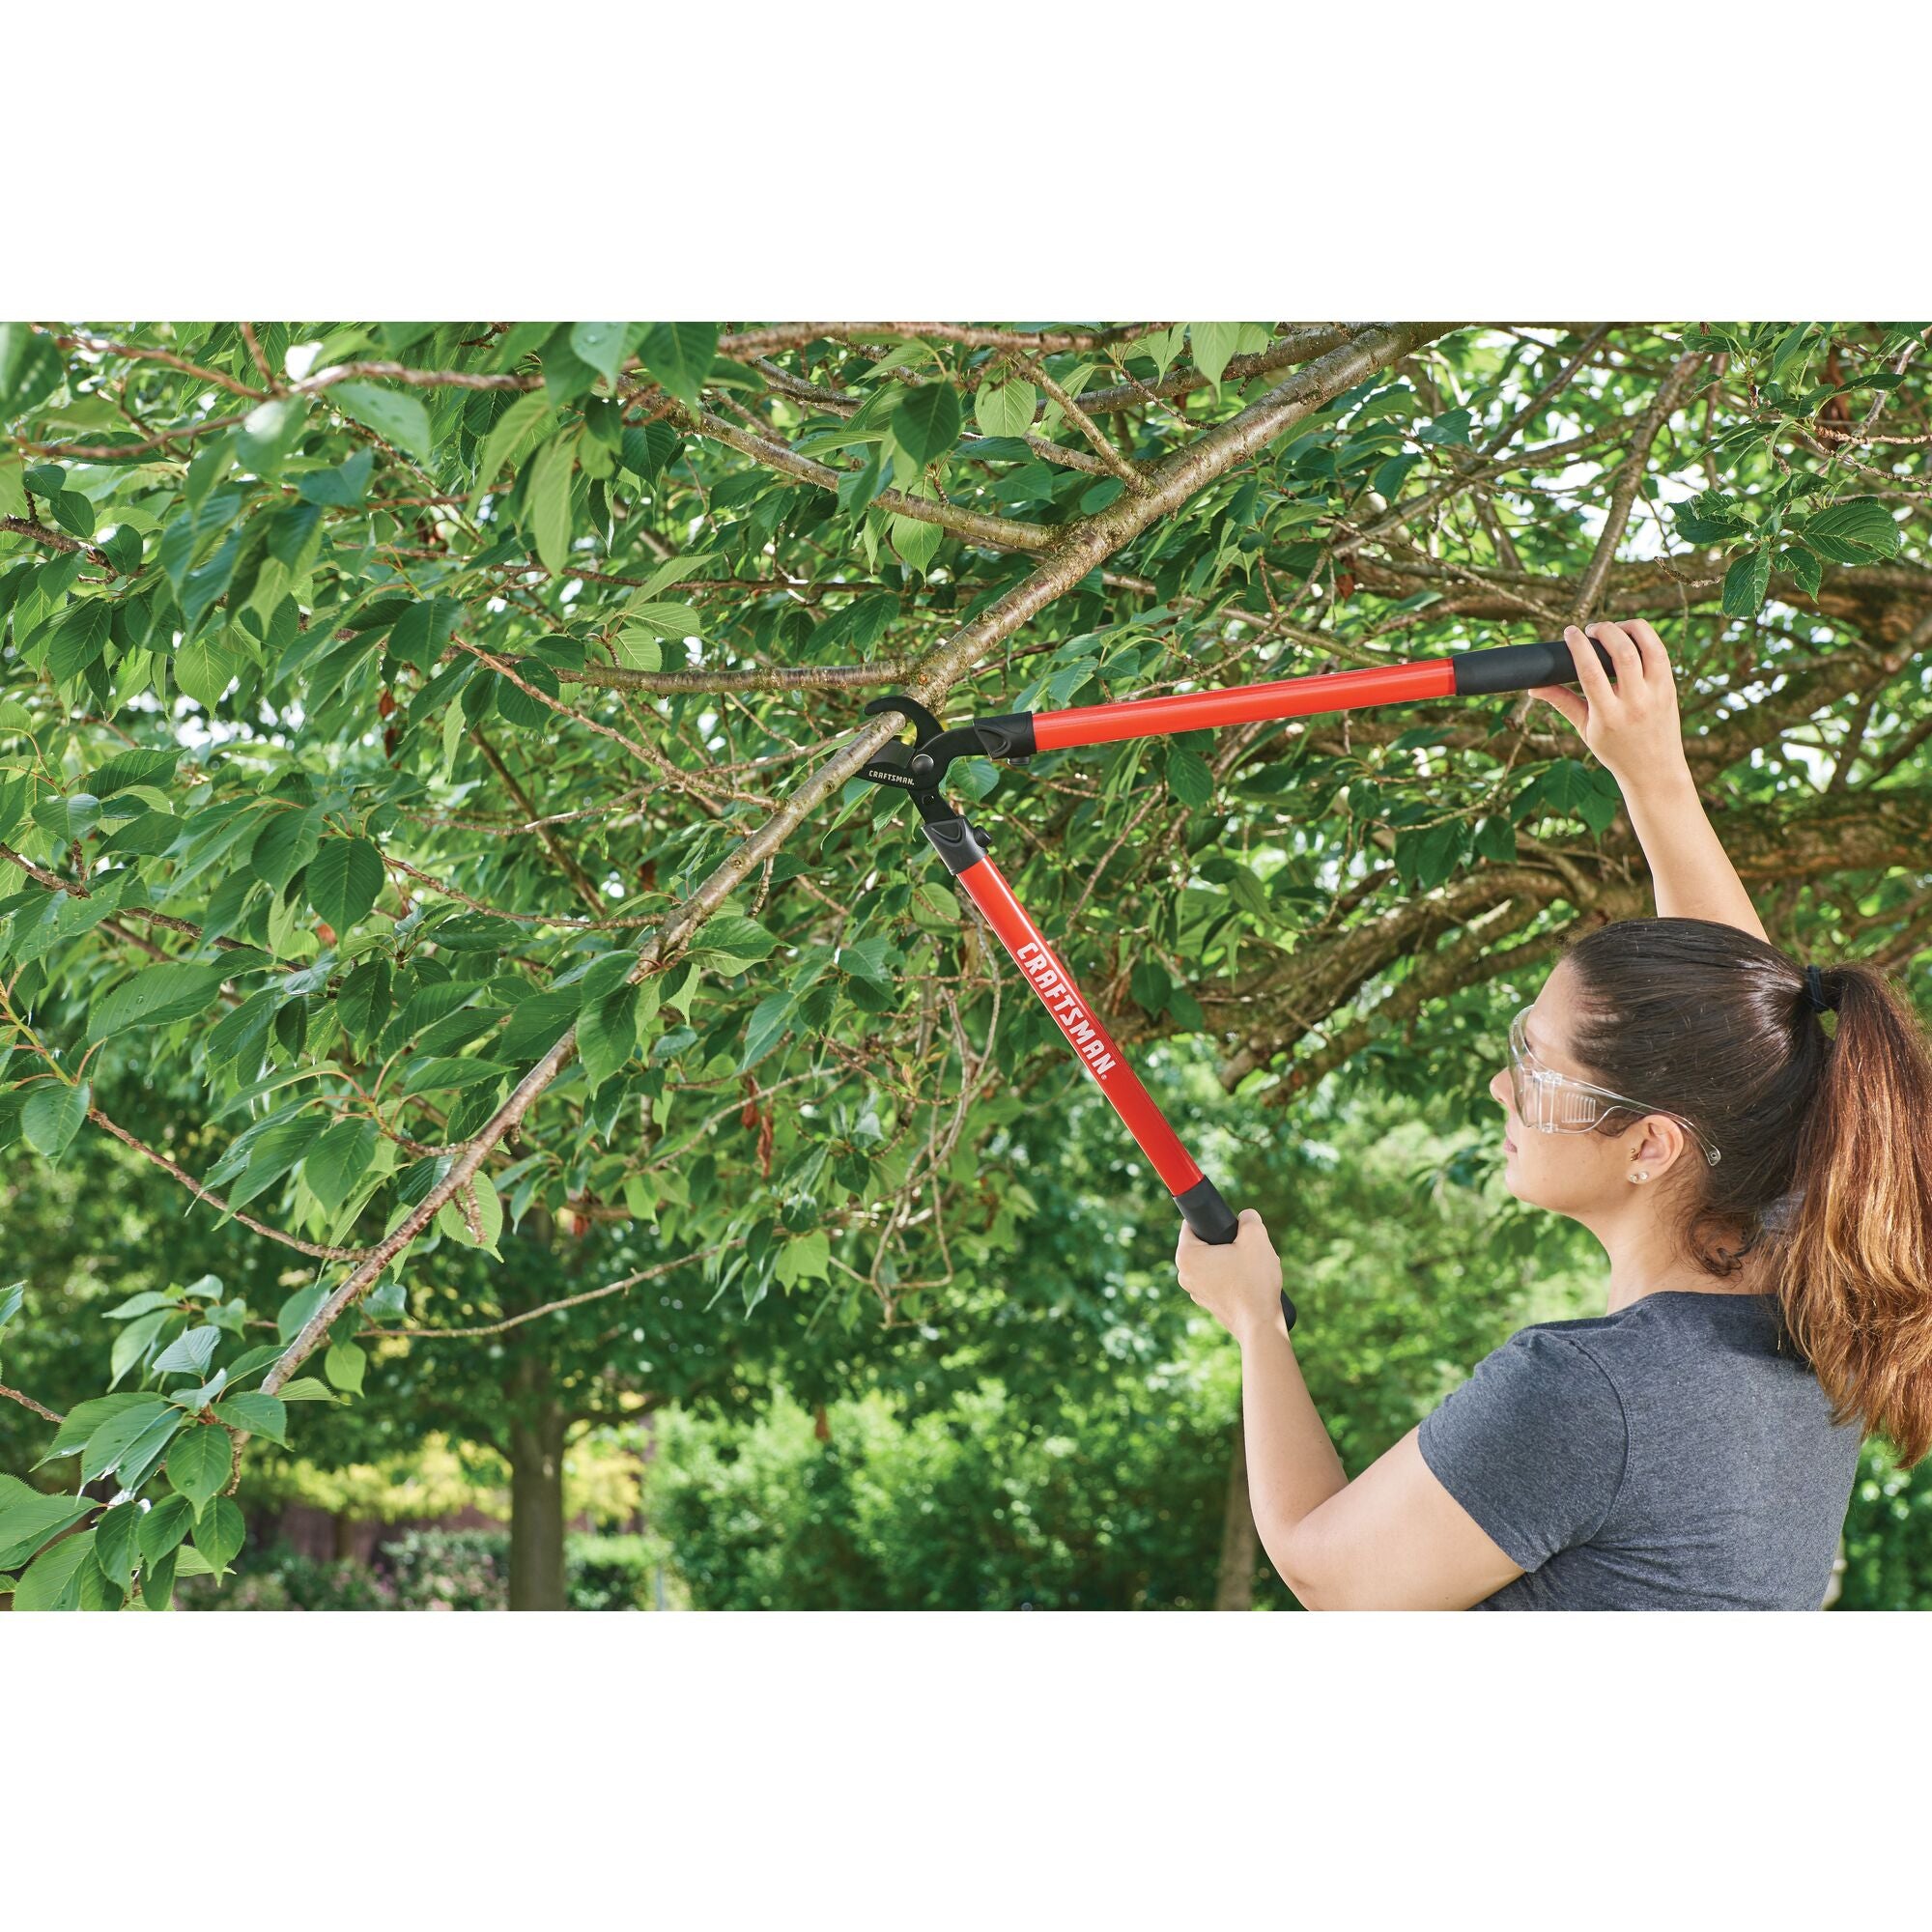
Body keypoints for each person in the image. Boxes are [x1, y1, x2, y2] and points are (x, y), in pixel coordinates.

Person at [1175, 618, 1932, 1610]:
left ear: (1649, 1145)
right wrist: (1650, 772)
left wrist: (1251, 1319)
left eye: (1533, 1066)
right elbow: (1746, 1036)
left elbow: (1329, 1571)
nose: (1500, 1088)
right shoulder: (1803, 1297)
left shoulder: (1584, 1391)